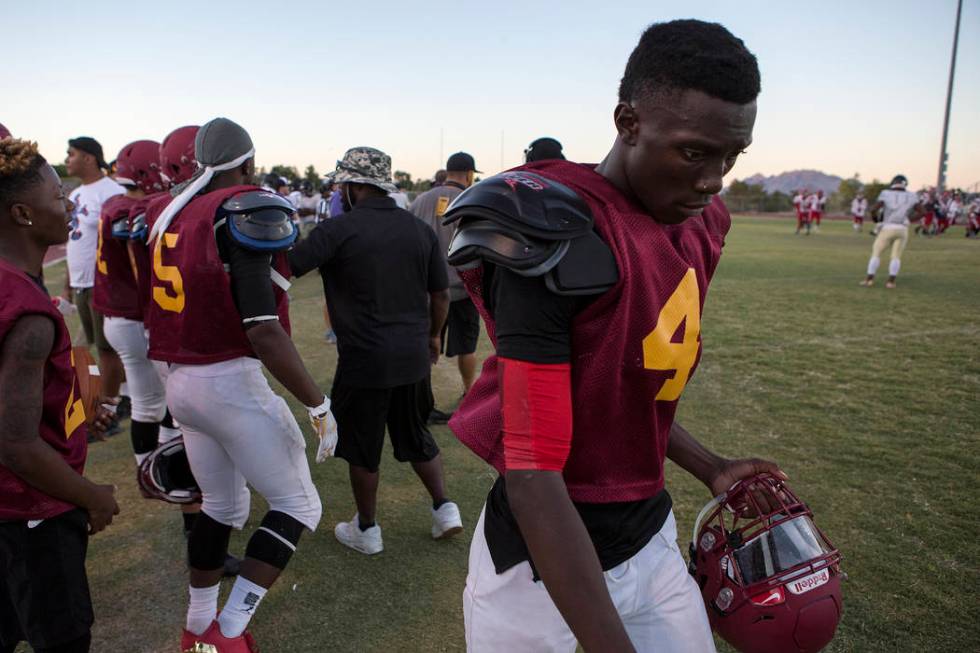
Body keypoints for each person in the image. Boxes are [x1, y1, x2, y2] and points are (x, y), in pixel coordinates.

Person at [446, 19, 786, 652]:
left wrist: (709, 466)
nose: (714, 179)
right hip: (539, 559)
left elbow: (621, 388)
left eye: (730, 156)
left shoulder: (703, 218)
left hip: (649, 532)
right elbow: (533, 472)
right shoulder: (554, 233)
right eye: (693, 152)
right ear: (628, 122)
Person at [144, 118, 334, 652]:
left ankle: (196, 627)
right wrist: (318, 403)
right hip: (228, 380)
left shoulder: (167, 212)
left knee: (221, 507)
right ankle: (228, 633)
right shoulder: (245, 205)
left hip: (182, 380)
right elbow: (262, 329)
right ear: (248, 163)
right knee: (299, 506)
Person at [289, 146, 463, 555]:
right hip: (413, 357)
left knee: (363, 447)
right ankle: (445, 508)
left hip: (364, 359)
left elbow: (288, 265)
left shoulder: (338, 230)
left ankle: (367, 529)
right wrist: (434, 337)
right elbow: (440, 295)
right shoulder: (418, 230)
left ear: (350, 186)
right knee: (416, 433)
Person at [0, 137, 119, 653]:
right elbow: (16, 444)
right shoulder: (27, 312)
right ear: (23, 213)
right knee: (63, 638)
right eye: (57, 197)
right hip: (30, 510)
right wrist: (91, 495)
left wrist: (72, 410)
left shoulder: (20, 287)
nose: (69, 204)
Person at [409, 151, 482, 422]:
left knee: (427, 344)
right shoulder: (472, 199)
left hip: (427, 288)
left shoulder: (419, 201)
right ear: (469, 174)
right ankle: (468, 392)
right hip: (463, 287)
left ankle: (423, 401)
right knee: (467, 346)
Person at [63, 137, 127, 415]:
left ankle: (109, 409)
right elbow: (74, 242)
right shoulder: (76, 195)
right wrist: (67, 284)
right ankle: (124, 397)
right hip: (81, 282)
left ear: (88, 158)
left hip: (101, 281)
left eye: (71, 154)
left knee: (107, 350)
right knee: (96, 348)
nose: (67, 159)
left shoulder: (111, 191)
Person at [860, 174, 923, 289]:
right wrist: (909, 220)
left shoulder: (886, 193)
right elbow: (922, 212)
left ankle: (869, 280)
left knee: (876, 253)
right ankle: (891, 282)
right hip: (902, 229)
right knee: (896, 256)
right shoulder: (912, 195)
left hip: (887, 227)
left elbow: (874, 209)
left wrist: (876, 220)